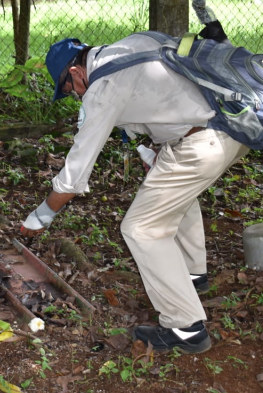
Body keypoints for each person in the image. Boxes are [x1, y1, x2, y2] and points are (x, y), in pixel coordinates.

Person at [21, 26, 250, 354]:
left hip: (204, 142)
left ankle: (185, 328)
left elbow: (74, 174)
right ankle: (192, 277)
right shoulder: (131, 45)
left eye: (69, 88)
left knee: (140, 229)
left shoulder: (102, 88)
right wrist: (156, 146)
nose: (74, 96)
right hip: (228, 127)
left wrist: (39, 216)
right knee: (172, 192)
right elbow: (166, 90)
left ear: (75, 71)